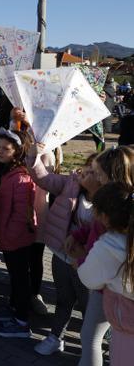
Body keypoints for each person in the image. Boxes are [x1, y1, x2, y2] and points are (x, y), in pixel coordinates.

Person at [25, 142, 98, 355]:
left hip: (87, 264)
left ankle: (89, 348)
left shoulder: (109, 204)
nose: (86, 172)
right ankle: (56, 337)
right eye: (87, 167)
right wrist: (34, 155)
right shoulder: (71, 183)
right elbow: (44, 178)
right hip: (61, 255)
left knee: (88, 308)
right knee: (64, 300)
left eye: (94, 171)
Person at [69, 146, 134, 366]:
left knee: (90, 338)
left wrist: (78, 260)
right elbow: (93, 228)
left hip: (107, 288)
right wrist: (78, 233)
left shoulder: (116, 212)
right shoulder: (119, 204)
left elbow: (89, 273)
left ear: (112, 176)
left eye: (98, 173)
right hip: (110, 287)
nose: (93, 176)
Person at [0, 128, 37, 338]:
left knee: (20, 279)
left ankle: (21, 322)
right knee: (15, 277)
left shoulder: (21, 179)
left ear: (17, 152)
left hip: (16, 239)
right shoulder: (9, 173)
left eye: (5, 149)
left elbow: (21, 215)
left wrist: (8, 237)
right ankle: (14, 307)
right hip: (9, 238)